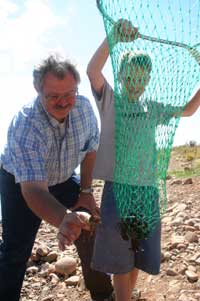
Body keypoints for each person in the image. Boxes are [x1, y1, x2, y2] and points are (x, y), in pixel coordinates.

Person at [86, 19, 200, 301]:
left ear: (148, 79)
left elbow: (188, 110)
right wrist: (113, 38)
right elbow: (92, 71)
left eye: (142, 78)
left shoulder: (153, 107)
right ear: (122, 75)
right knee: (118, 252)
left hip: (147, 190)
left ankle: (121, 296)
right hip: (118, 189)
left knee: (137, 252)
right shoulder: (111, 101)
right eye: (131, 76)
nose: (136, 82)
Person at [0, 54, 114, 301]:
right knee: (15, 251)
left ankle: (104, 295)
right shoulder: (26, 124)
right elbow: (33, 191)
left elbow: (91, 149)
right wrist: (64, 218)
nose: (64, 102)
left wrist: (85, 193)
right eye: (54, 96)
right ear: (38, 90)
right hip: (21, 183)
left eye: (69, 93)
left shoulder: (83, 109)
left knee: (91, 229)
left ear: (77, 87)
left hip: (63, 177)